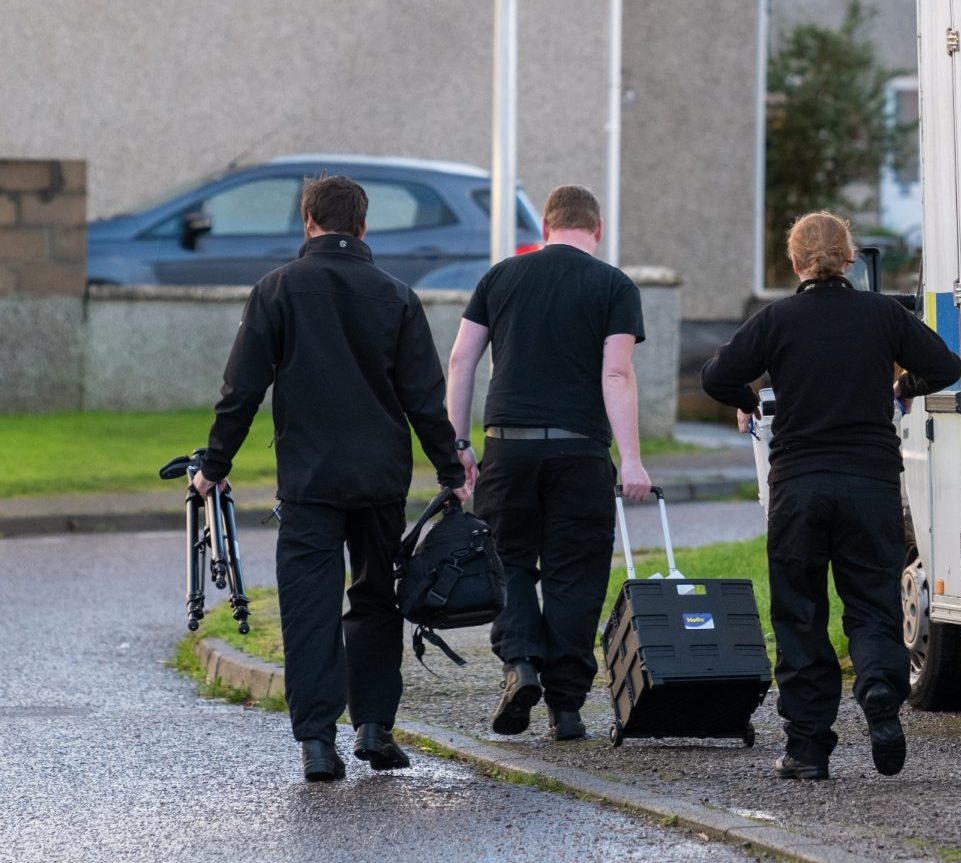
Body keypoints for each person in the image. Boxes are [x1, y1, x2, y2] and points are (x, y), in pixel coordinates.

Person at [192, 174, 469, 782]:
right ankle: (375, 728)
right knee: (375, 597)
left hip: (311, 482)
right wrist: (452, 470)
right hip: (380, 479)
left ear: (309, 221)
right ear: (363, 227)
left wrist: (214, 467)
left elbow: (241, 390)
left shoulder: (277, 290)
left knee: (309, 607)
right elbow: (424, 397)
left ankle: (318, 742)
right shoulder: (396, 295)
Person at [701, 211, 961, 780]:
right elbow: (945, 364)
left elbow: (715, 377)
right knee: (871, 603)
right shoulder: (882, 315)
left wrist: (752, 395)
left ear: (794, 263)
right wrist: (904, 386)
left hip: (798, 486)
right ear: (849, 260)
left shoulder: (776, 321)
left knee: (800, 613)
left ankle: (807, 748)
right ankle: (879, 692)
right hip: (869, 483)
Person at [447, 184, 650, 742]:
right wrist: (630, 459)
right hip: (580, 451)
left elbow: (462, 359)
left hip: (507, 446)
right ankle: (566, 708)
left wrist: (458, 445)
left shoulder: (501, 277)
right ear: (598, 229)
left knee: (506, 560)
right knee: (575, 575)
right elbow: (616, 374)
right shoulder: (614, 285)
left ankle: (521, 664)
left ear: (545, 227)